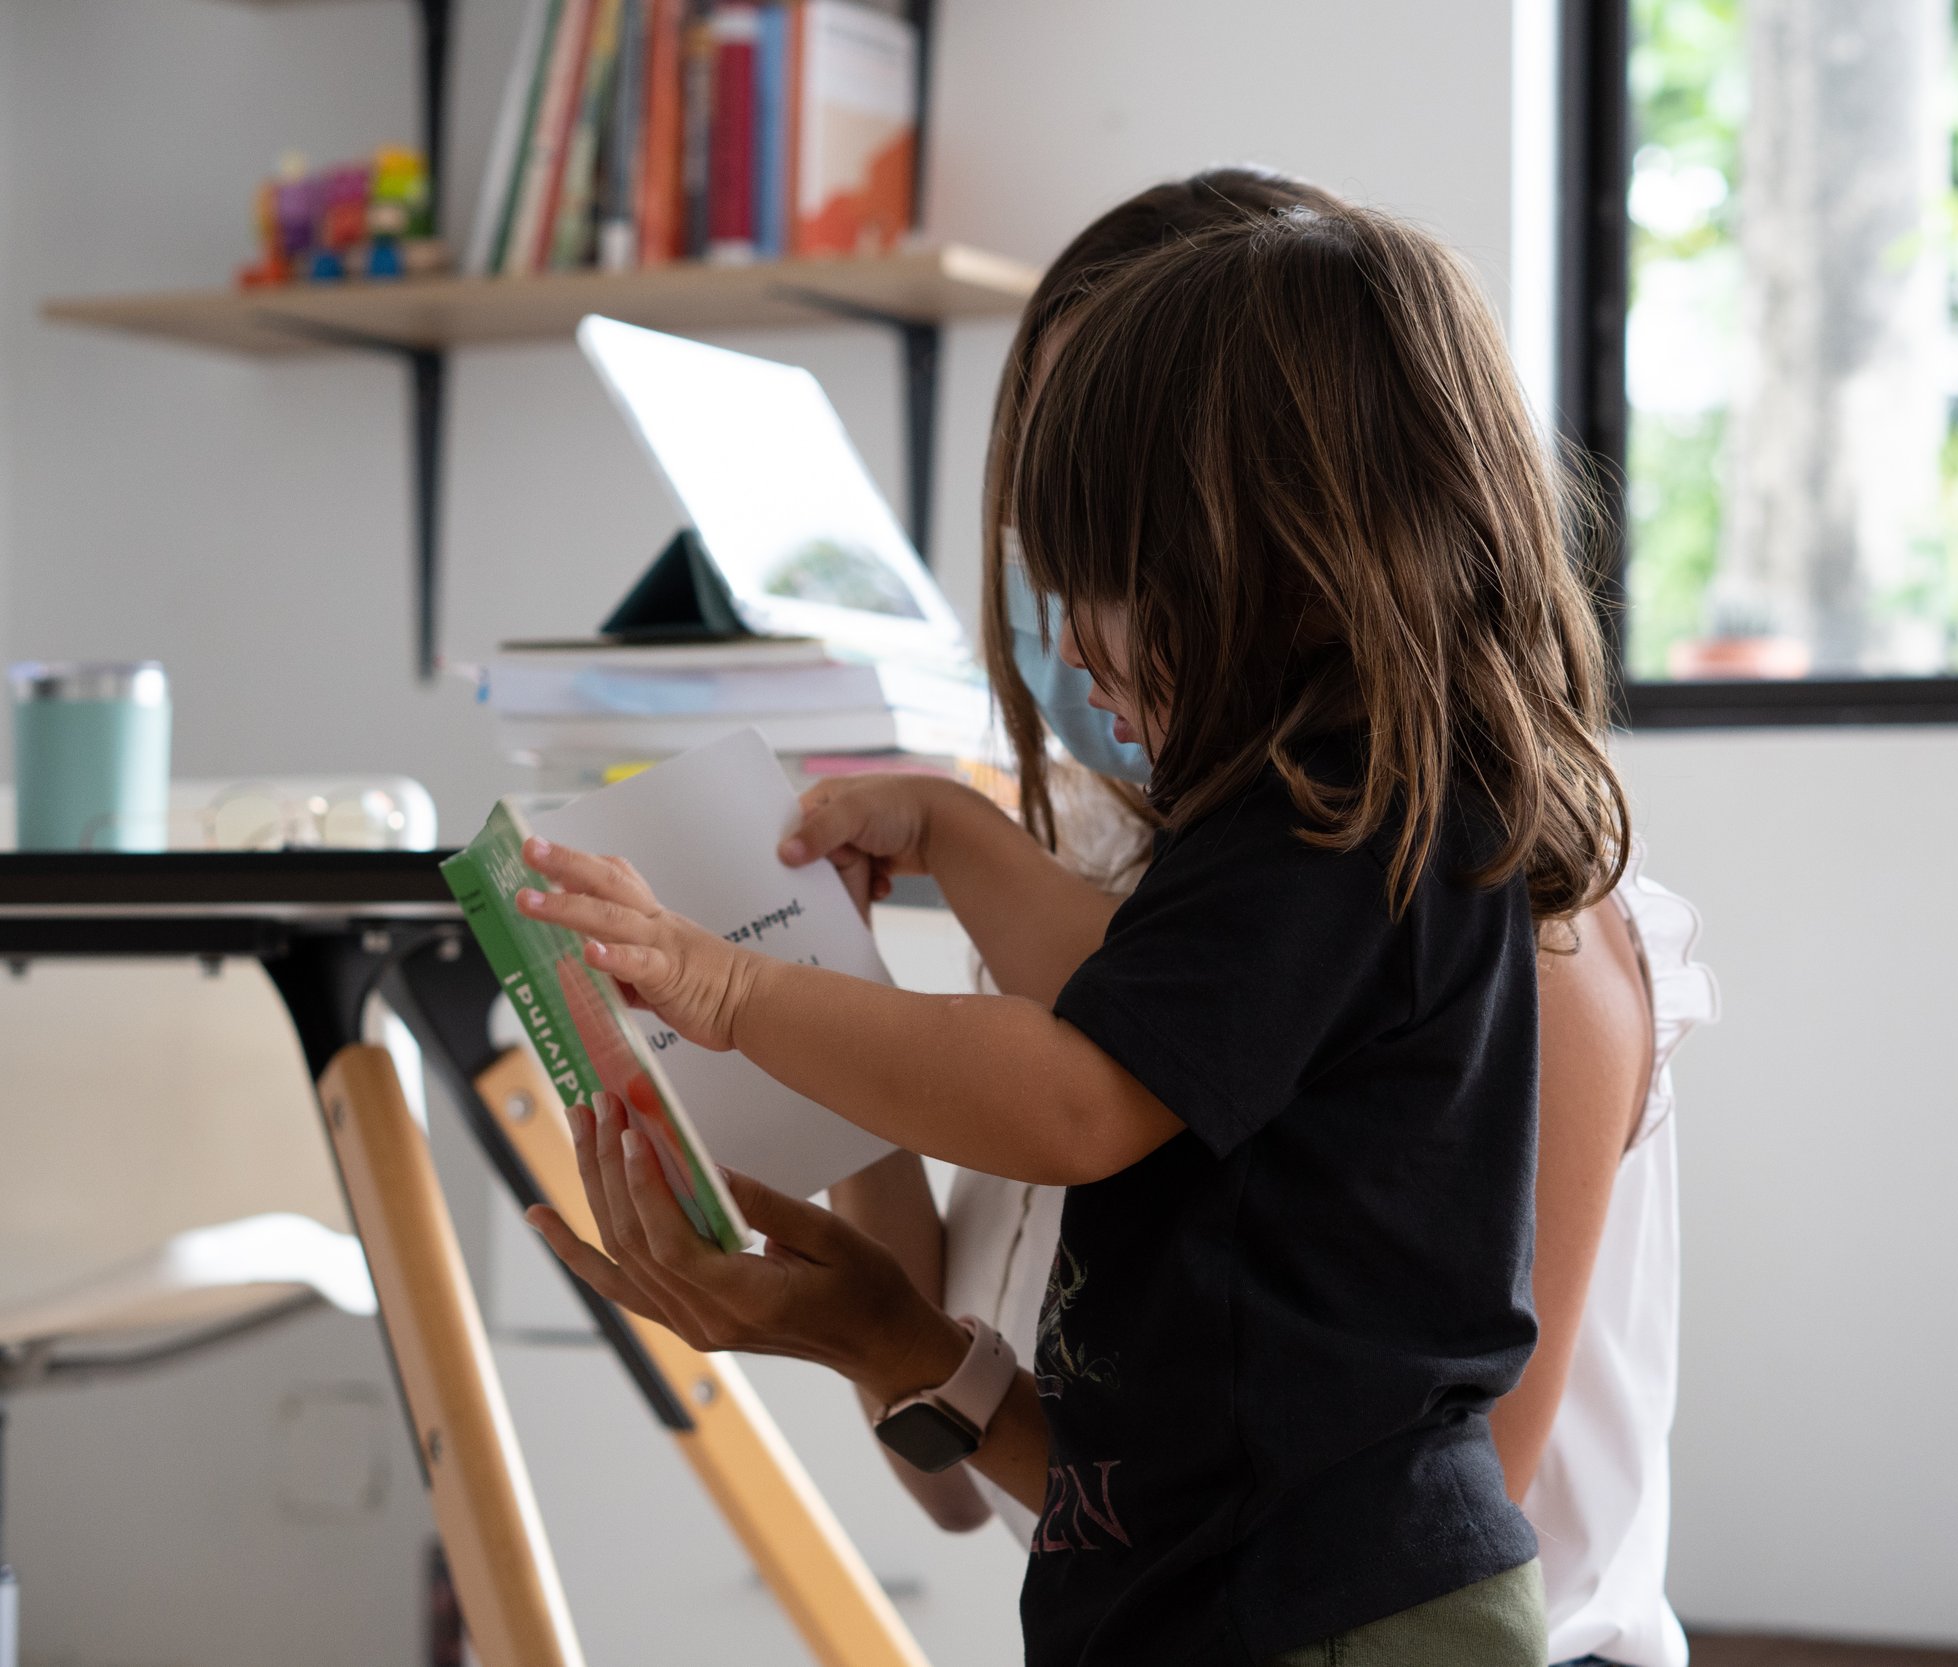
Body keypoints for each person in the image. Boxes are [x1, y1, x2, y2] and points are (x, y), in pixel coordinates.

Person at [518, 200, 1631, 1665]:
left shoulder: (1334, 817)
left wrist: (725, 985)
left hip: (1324, 1618)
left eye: (1105, 573)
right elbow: (1127, 994)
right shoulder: (1340, 815)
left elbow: (1069, 1096)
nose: (1073, 632)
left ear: (1278, 559)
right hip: (1244, 1588)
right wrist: (955, 834)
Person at [836, 169, 1720, 1667]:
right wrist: (836, 1037)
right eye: (1057, 519)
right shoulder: (1133, 892)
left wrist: (749, 1005)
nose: (1074, 609)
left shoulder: (1496, 919)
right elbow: (956, 1490)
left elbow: (1391, 1538)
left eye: (1118, 530)